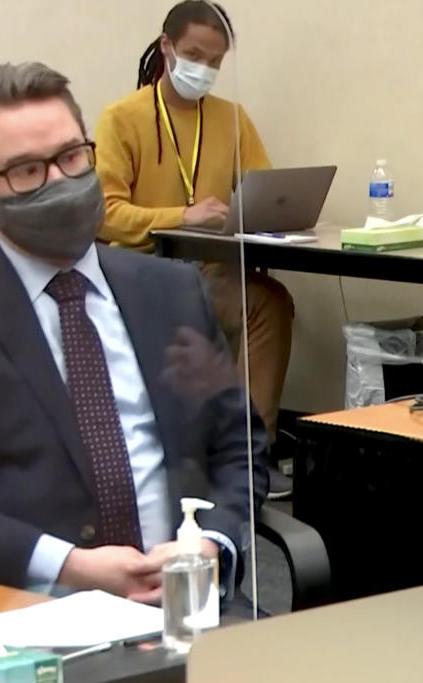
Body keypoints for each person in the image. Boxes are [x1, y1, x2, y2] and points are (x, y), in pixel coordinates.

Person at [0, 62, 267, 603]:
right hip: (22, 621)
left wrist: (211, 544)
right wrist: (70, 566)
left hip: (185, 606)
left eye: (72, 157)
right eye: (27, 170)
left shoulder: (171, 291)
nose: (61, 182)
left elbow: (240, 447)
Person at [94, 0, 294, 454]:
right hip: (140, 274)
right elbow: (106, 214)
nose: (204, 69)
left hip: (207, 271)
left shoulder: (231, 118)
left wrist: (273, 215)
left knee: (269, 303)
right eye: (195, 56)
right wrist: (181, 216)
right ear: (167, 46)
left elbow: (260, 191)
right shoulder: (122, 118)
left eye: (215, 61)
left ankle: (251, 451)